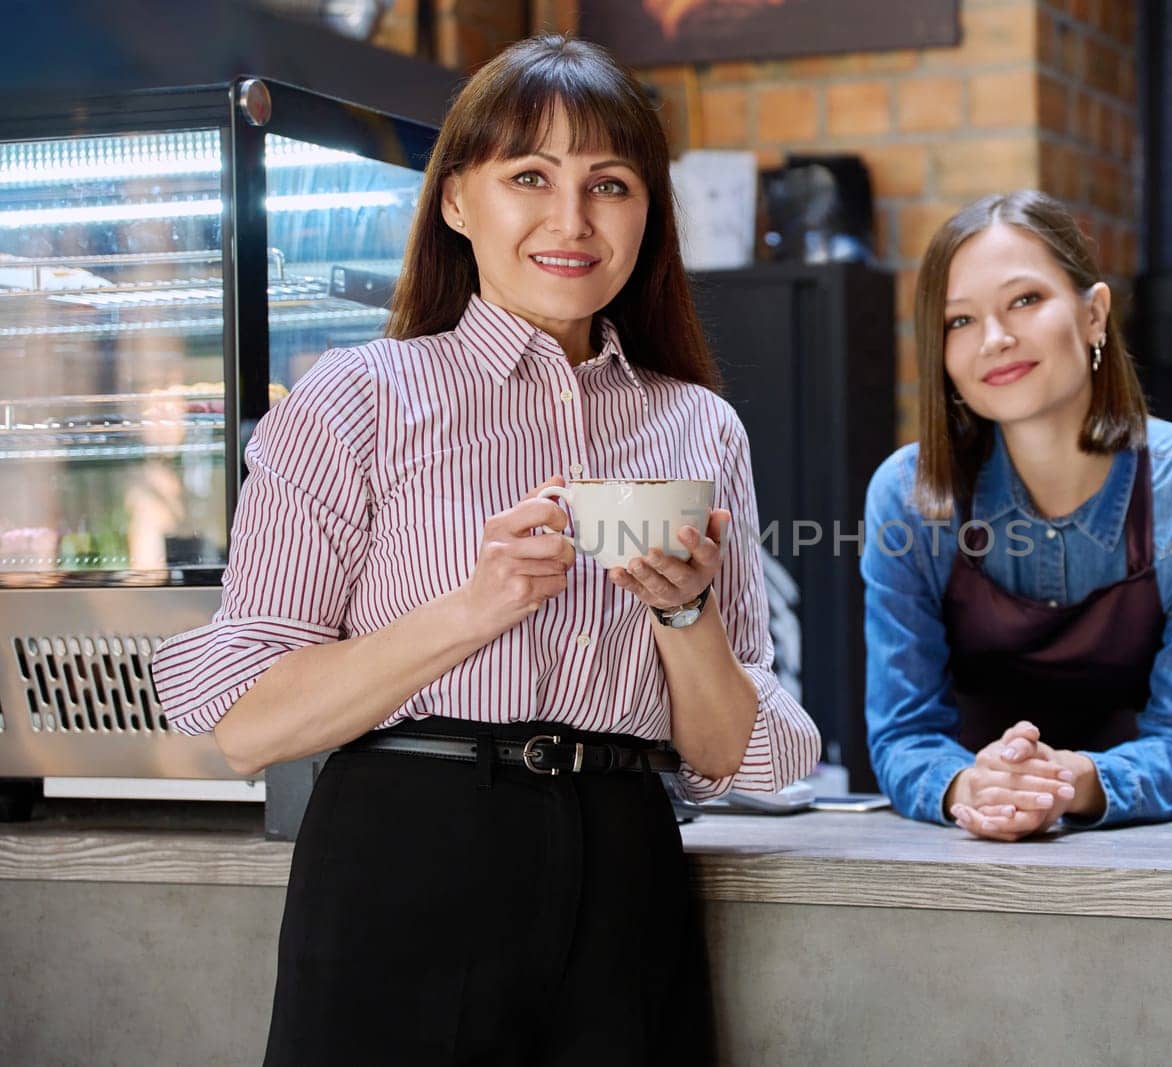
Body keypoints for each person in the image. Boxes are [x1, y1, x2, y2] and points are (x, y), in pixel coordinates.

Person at [151, 35, 819, 1064]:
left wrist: (685, 612)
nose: (571, 219)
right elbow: (245, 726)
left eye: (609, 183)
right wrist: (475, 605)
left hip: (627, 868)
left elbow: (737, 755)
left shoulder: (697, 427)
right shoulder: (358, 398)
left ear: (647, 213)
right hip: (405, 854)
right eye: (528, 177)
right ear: (458, 200)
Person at [861, 190, 1172, 840]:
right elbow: (904, 735)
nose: (995, 339)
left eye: (1025, 300)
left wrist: (1063, 785)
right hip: (968, 846)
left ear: (1094, 314)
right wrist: (976, 786)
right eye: (959, 321)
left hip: (1154, 848)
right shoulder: (908, 497)